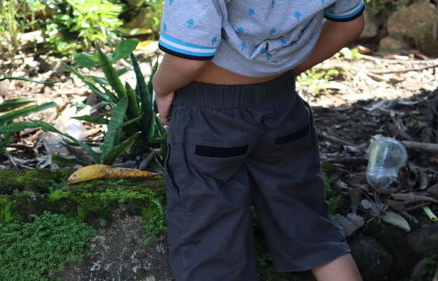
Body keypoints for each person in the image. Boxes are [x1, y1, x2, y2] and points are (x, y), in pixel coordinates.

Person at [152, 0, 365, 280]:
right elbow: (350, 24)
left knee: (210, 250)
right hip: (282, 106)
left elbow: (188, 59)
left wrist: (161, 88)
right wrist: (282, 72)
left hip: (209, 116)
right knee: (313, 231)